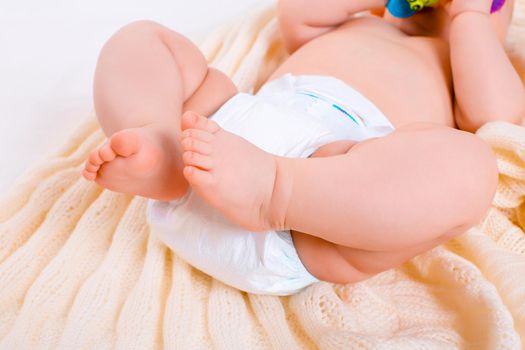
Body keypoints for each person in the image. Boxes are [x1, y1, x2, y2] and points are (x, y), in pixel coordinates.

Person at [82, 0, 524, 295]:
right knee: (144, 39)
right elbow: (299, 11)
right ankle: (156, 142)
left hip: (320, 203)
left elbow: (496, 119)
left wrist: (471, 20)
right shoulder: (358, 22)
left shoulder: (460, 67)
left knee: (473, 167)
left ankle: (275, 191)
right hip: (217, 135)